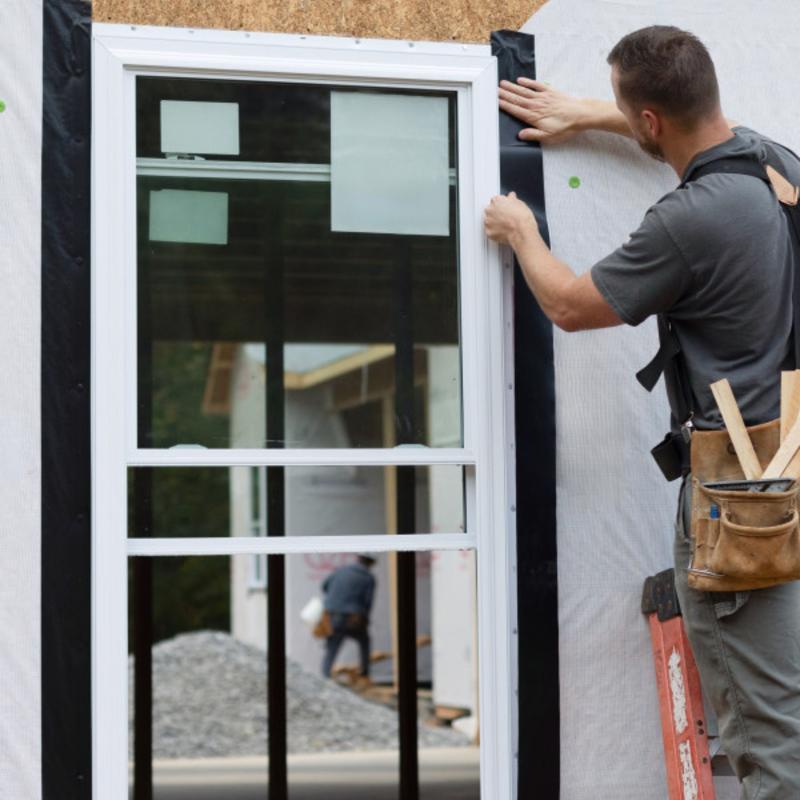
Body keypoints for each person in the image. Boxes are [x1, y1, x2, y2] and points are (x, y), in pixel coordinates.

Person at [484, 25, 800, 798]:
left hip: (743, 499)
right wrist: (589, 114)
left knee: (770, 734)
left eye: (631, 116)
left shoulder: (688, 221)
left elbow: (566, 303)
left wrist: (520, 229)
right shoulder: (775, 164)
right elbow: (671, 123)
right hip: (789, 453)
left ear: (650, 122)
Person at [320, 554, 377, 680]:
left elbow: (324, 586)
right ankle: (364, 674)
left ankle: (324, 677)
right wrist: (364, 619)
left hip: (333, 614)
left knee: (332, 647)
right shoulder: (368, 578)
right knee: (364, 642)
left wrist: (336, 600)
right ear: (370, 563)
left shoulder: (341, 570)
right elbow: (368, 602)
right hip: (353, 618)